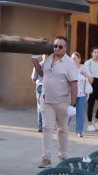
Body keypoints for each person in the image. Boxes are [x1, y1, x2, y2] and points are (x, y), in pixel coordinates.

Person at [31, 36, 76, 167]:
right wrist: (34, 59)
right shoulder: (49, 58)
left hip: (63, 101)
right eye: (55, 46)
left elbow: (74, 83)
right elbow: (41, 73)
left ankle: (63, 157)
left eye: (60, 46)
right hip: (47, 100)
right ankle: (46, 158)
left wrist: (73, 104)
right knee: (47, 127)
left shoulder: (69, 63)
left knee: (62, 129)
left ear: (66, 48)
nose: (57, 48)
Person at [83, 47, 98, 132]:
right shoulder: (88, 62)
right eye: (95, 52)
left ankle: (95, 121)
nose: (97, 54)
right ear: (91, 53)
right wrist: (88, 86)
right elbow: (85, 74)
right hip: (91, 83)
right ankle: (89, 124)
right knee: (91, 105)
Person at [71, 52, 89, 138]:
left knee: (80, 113)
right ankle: (62, 128)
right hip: (70, 94)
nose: (72, 60)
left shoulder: (83, 68)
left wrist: (86, 76)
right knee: (68, 112)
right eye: (71, 58)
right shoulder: (69, 68)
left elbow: (91, 79)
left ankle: (79, 131)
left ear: (79, 59)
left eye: (74, 58)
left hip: (82, 94)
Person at [31, 54, 45, 132]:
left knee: (41, 107)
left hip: (43, 86)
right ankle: (41, 126)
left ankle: (42, 126)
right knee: (41, 107)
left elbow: (34, 78)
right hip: (40, 86)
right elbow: (34, 78)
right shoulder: (38, 65)